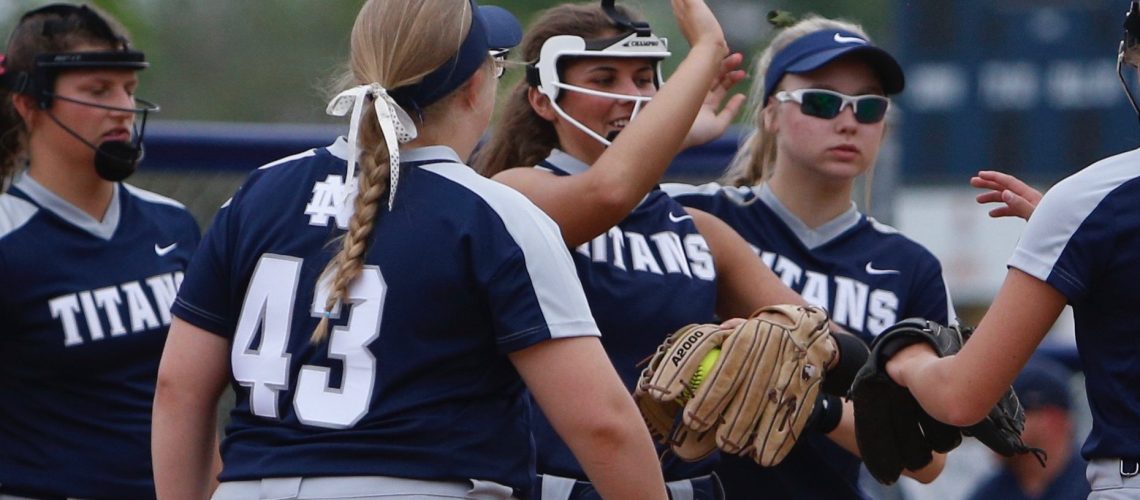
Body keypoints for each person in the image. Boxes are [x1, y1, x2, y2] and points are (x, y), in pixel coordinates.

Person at [151, 1, 669, 499]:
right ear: (474, 87)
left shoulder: (257, 192)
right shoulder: (495, 213)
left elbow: (179, 386)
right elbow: (601, 424)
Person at [476, 3, 872, 499]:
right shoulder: (515, 193)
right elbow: (607, 193)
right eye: (604, 79)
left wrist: (917, 362)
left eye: (644, 80)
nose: (631, 96)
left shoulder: (697, 230)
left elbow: (830, 342)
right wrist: (704, 51)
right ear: (541, 101)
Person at [661, 14, 953, 499]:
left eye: (869, 107)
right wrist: (672, 134)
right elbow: (568, 207)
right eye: (822, 101)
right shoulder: (694, 214)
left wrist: (814, 407)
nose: (847, 121)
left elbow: (927, 458)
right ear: (771, 113)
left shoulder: (909, 265)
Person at [882, 1, 1140, 497]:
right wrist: (1081, 244)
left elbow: (962, 399)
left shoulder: (1091, 204)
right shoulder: (1088, 214)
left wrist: (900, 357)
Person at [0, 4, 197, 499]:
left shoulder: (174, 223)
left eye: (128, 89)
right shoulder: (8, 238)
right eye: (97, 90)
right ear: (28, 103)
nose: (122, 109)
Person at [966, 357, 1090, 500]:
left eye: (1008, 416)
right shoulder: (990, 493)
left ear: (1053, 420)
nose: (991, 427)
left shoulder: (1098, 484)